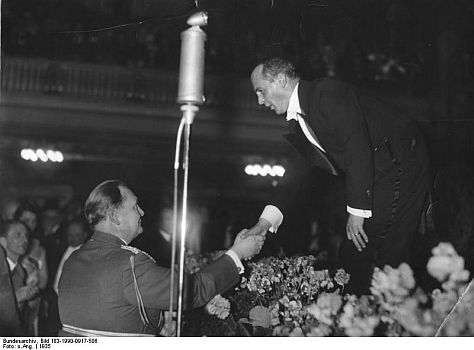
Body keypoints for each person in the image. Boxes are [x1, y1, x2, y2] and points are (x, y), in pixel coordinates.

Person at [245, 57, 430, 295]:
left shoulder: (326, 93)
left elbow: (357, 145)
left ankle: (381, 319)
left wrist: (357, 211)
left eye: (261, 91)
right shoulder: (300, 119)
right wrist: (264, 223)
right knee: (355, 257)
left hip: (401, 163)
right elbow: (295, 174)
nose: (260, 101)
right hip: (380, 173)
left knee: (379, 253)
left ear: (281, 80)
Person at [58, 180, 264, 336]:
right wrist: (237, 254)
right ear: (115, 217)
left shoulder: (73, 260)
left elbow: (108, 310)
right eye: (135, 207)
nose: (142, 212)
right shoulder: (130, 264)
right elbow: (191, 290)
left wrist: (158, 319)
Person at [0, 220, 40, 334]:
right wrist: (15, 297)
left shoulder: (20, 272)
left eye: (26, 236)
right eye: (18, 235)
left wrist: (27, 299)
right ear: (3, 241)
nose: (25, 240)